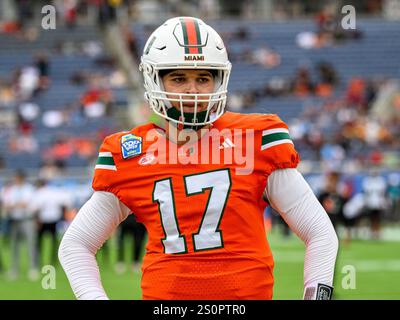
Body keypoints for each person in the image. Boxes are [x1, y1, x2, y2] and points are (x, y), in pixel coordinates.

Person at [59, 17, 338, 300]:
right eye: (179, 78)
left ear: (218, 81)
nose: (192, 90)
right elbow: (76, 245)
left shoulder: (255, 140)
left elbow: (319, 232)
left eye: (203, 78)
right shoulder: (133, 153)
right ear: (155, 79)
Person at [3, 170, 38, 280]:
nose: (16, 180)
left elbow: (26, 204)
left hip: (27, 220)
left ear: (22, 178)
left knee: (31, 244)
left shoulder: (29, 189)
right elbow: (7, 204)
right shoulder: (11, 190)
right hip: (14, 220)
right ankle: (14, 270)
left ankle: (33, 268)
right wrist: (15, 205)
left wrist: (14, 205)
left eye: (17, 178)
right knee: (14, 246)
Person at [31, 179, 70, 266]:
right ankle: (54, 261)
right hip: (54, 219)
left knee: (39, 243)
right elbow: (64, 204)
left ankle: (38, 261)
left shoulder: (39, 193)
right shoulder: (55, 191)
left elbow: (36, 208)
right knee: (54, 242)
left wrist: (36, 220)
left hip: (43, 220)